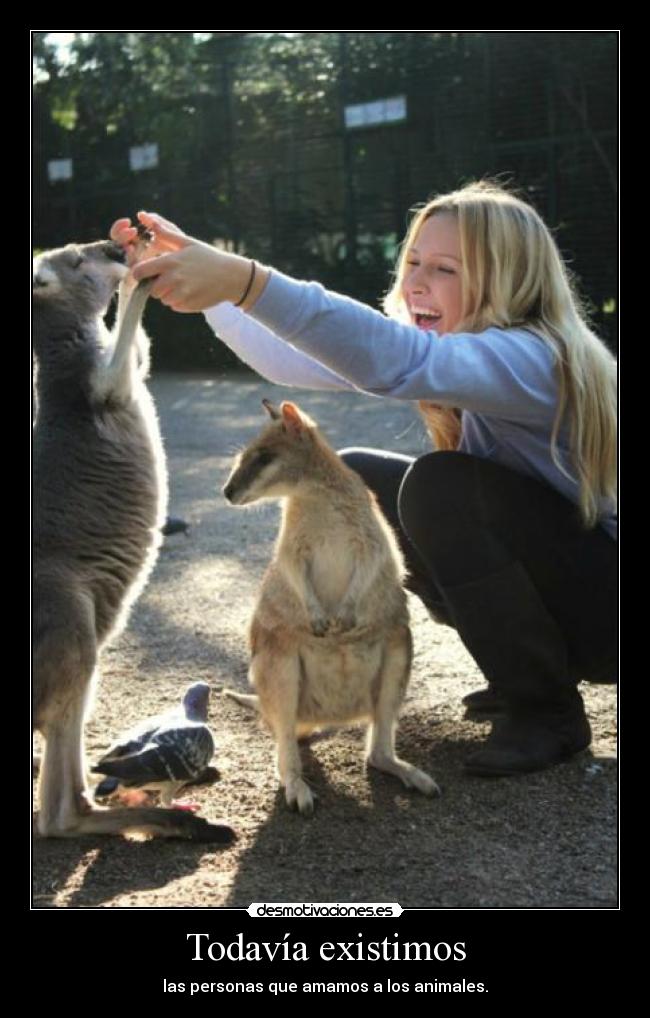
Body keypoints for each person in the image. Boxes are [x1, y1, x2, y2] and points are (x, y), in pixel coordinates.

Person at [111, 181, 617, 777]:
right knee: (356, 477)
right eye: (414, 262)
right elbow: (295, 360)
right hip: (579, 589)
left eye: (446, 270)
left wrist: (244, 280)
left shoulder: (537, 356)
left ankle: (548, 711)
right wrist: (211, 291)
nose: (419, 282)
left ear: (511, 280)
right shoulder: (464, 347)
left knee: (441, 488)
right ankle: (523, 672)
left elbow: (390, 360)